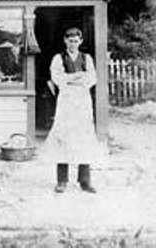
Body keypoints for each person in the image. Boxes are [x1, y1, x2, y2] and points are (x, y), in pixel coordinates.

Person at [43, 27, 104, 193]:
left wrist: (72, 79)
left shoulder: (87, 58)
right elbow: (57, 78)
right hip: (66, 101)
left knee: (84, 136)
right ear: (65, 41)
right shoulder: (58, 58)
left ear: (81, 42)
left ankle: (85, 180)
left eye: (76, 41)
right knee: (63, 136)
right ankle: (62, 180)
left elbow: (91, 78)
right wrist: (76, 76)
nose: (73, 44)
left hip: (82, 101)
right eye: (70, 41)